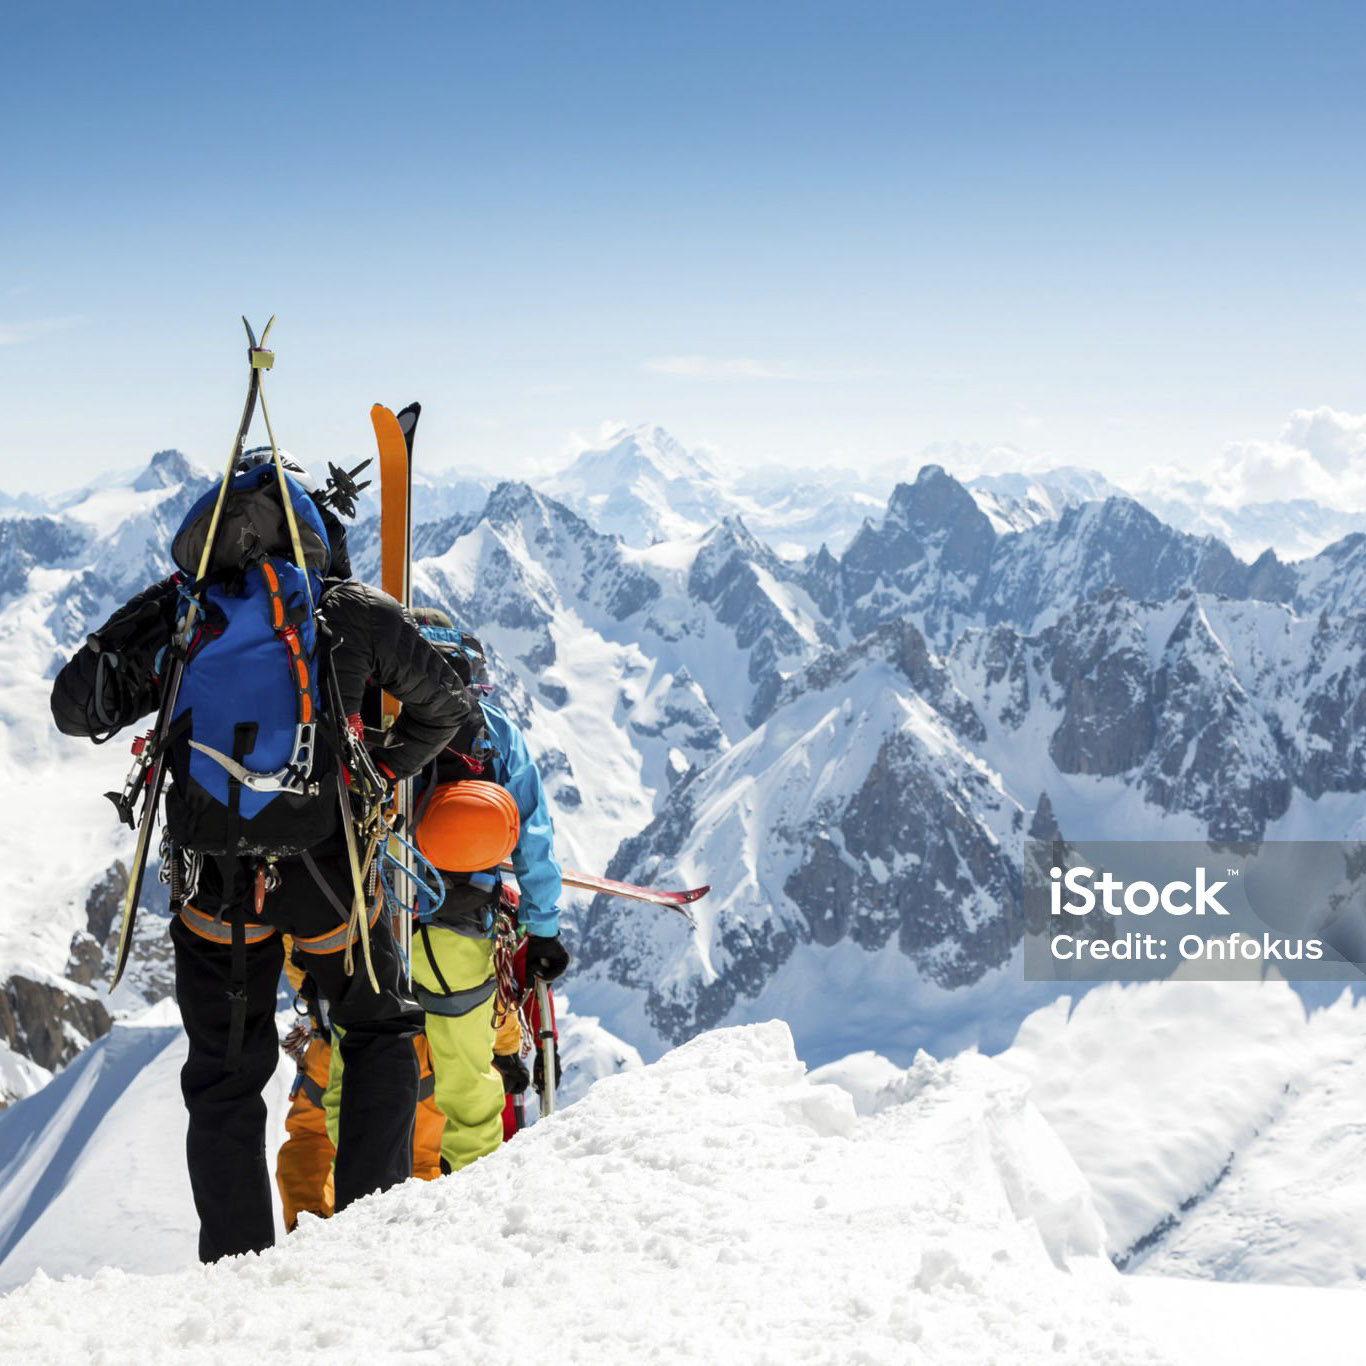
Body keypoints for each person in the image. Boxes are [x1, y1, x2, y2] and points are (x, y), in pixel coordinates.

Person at [50, 454, 478, 1262]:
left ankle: (237, 1274)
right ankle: (365, 1245)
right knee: (380, 1032)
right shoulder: (347, 610)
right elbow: (448, 708)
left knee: (223, 1078)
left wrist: (158, 624)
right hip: (330, 882)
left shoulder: (181, 614)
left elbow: (74, 706)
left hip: (214, 895)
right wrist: (377, 771)